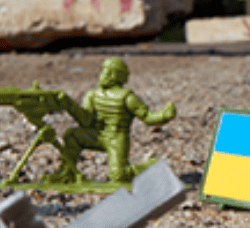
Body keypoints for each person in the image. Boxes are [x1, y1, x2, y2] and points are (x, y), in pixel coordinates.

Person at [48, 58, 176, 187]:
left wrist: (164, 116)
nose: (103, 74)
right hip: (96, 135)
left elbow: (147, 117)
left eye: (109, 71)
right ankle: (67, 172)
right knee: (72, 135)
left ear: (117, 76)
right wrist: (69, 105)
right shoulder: (92, 95)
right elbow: (86, 121)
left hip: (117, 138)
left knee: (118, 177)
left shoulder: (127, 97)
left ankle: (148, 167)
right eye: (104, 70)